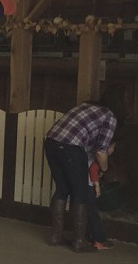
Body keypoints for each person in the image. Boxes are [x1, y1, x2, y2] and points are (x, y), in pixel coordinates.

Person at [44, 90, 121, 253]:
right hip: (71, 148)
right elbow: (101, 151)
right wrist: (105, 170)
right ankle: (79, 241)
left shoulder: (85, 106)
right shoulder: (110, 116)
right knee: (80, 193)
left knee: (62, 189)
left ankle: (55, 236)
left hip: (51, 142)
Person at [87, 144, 116, 250]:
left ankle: (88, 238)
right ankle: (99, 240)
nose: (113, 150)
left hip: (80, 182)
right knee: (92, 211)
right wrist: (97, 185)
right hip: (88, 184)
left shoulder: (90, 150)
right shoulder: (100, 157)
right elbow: (93, 169)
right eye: (113, 147)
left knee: (86, 211)